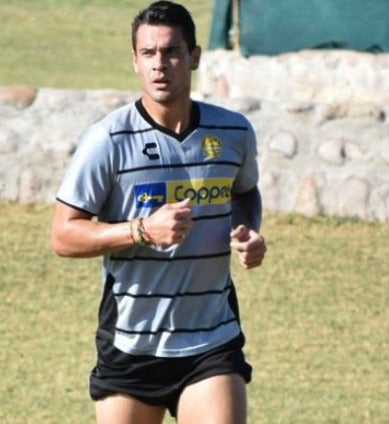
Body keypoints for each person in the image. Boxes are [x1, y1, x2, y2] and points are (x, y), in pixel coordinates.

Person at [50, 2, 266, 423]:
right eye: (148, 54)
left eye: (171, 52)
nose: (159, 65)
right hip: (132, 347)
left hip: (211, 341)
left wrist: (247, 229)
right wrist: (142, 231)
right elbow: (63, 235)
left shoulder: (234, 132)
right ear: (134, 61)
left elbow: (246, 191)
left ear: (195, 57)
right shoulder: (108, 140)